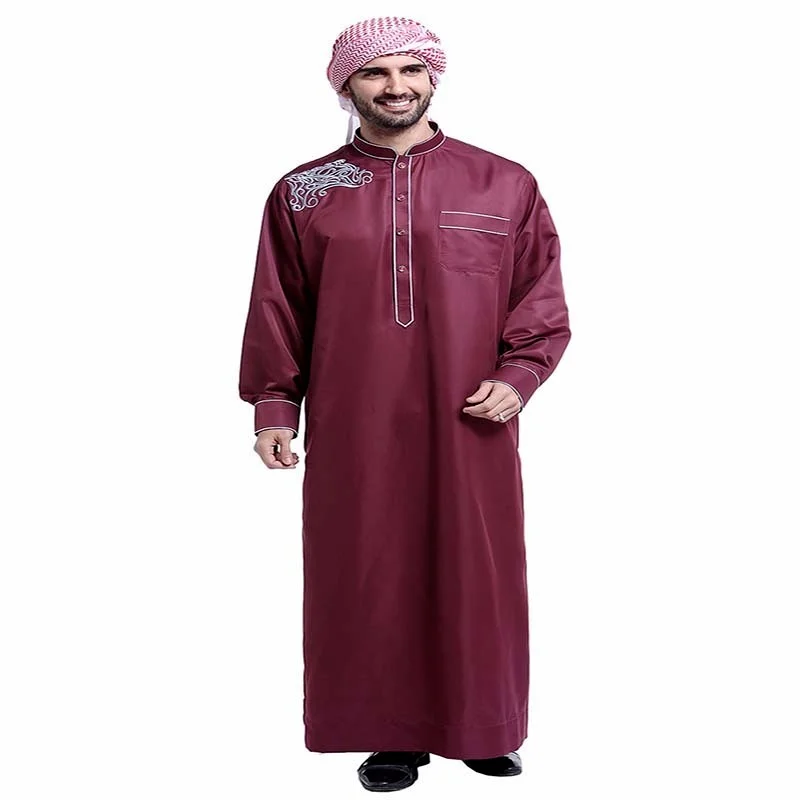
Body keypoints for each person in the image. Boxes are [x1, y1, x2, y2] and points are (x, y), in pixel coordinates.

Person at [238, 15, 572, 793]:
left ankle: (483, 728)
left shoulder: (504, 183)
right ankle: (388, 737)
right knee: (367, 572)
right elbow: (277, 307)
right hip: (355, 426)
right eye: (375, 73)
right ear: (346, 86)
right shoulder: (304, 192)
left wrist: (519, 376)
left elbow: (540, 300)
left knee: (478, 575)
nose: (396, 87)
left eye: (410, 70)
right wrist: (274, 407)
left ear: (432, 76)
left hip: (469, 424)